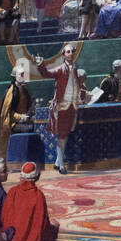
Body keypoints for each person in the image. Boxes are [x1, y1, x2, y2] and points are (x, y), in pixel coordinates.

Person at [35, 43, 85, 174]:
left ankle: (58, 161)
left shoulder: (74, 68)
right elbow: (45, 74)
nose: (71, 54)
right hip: (62, 106)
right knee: (62, 135)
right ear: (64, 55)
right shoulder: (60, 69)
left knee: (66, 133)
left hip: (72, 105)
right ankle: (62, 165)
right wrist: (41, 64)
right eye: (68, 52)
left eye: (72, 51)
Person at [0, 61, 35, 157]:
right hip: (14, 124)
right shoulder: (12, 92)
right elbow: (8, 113)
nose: (23, 76)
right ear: (14, 77)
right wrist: (20, 117)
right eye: (21, 75)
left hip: (24, 120)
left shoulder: (24, 89)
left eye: (24, 74)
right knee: (31, 128)